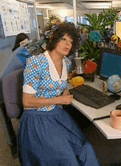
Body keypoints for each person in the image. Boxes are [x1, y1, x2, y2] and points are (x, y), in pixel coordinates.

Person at [18, 22, 100, 166]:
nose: (68, 44)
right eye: (64, 39)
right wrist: (59, 100)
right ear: (55, 39)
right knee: (67, 159)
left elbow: (60, 86)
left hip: (56, 114)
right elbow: (27, 101)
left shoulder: (66, 63)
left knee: (85, 148)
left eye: (71, 41)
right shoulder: (36, 63)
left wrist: (65, 91)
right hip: (37, 119)